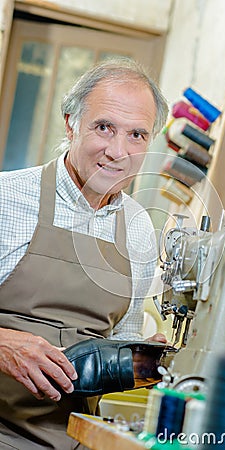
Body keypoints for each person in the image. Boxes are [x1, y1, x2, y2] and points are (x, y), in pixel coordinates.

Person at [0, 57, 169, 449]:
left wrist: (146, 363)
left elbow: (119, 348)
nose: (118, 151)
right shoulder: (7, 199)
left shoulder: (141, 229)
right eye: (104, 127)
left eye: (137, 135)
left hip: (74, 437)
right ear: (70, 123)